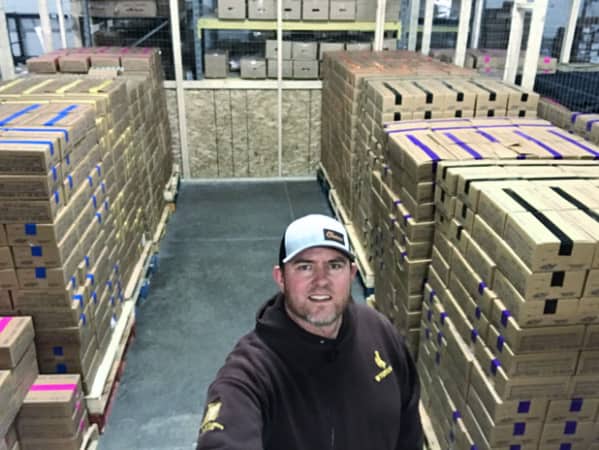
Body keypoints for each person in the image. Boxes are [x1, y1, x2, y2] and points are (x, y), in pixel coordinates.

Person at [196, 214, 423, 450]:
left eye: (334, 266)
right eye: (305, 267)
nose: (321, 281)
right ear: (280, 278)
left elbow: (410, 433)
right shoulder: (252, 371)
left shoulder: (380, 334)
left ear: (352, 274)